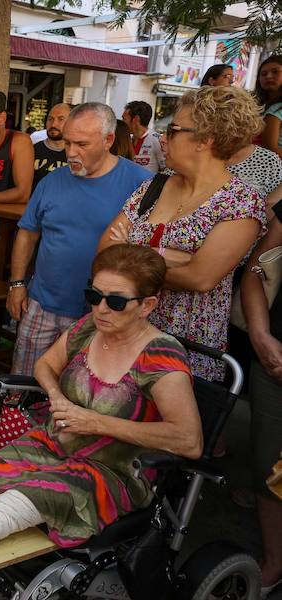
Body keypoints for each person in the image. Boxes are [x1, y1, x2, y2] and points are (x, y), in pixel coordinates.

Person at [0, 244, 202, 600]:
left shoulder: (160, 357)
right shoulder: (90, 328)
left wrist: (96, 422)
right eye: (94, 295)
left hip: (112, 467)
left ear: (148, 304)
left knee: (33, 493)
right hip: (58, 443)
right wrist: (55, 395)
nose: (100, 308)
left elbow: (189, 440)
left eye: (116, 302)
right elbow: (44, 366)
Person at [101, 86, 265, 381]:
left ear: (205, 140)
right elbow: (102, 256)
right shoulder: (153, 186)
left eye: (173, 130)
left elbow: (200, 278)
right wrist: (173, 258)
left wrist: (131, 252)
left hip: (182, 353)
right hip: (121, 334)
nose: (162, 138)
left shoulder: (241, 202)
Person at [8, 103, 152, 376]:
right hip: (42, 304)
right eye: (67, 142)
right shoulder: (51, 181)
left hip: (104, 313)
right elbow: (28, 233)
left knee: (82, 391)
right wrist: (17, 283)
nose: (71, 152)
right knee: (23, 385)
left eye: (82, 144)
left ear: (108, 140)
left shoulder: (141, 184)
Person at [240, 207, 282, 595]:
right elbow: (255, 270)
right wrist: (259, 333)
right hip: (275, 361)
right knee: (269, 463)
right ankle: (274, 560)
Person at [31, 102, 70, 189]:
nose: (53, 124)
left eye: (61, 119)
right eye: (50, 119)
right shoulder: (32, 151)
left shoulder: (78, 154)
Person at [122, 100, 166, 174]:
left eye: (124, 119)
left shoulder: (156, 140)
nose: (122, 123)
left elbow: (165, 169)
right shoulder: (127, 140)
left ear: (136, 119)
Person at [256, 56, 282, 159]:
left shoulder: (278, 108)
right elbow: (270, 147)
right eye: (263, 74)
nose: (268, 76)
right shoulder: (254, 104)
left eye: (275, 72)